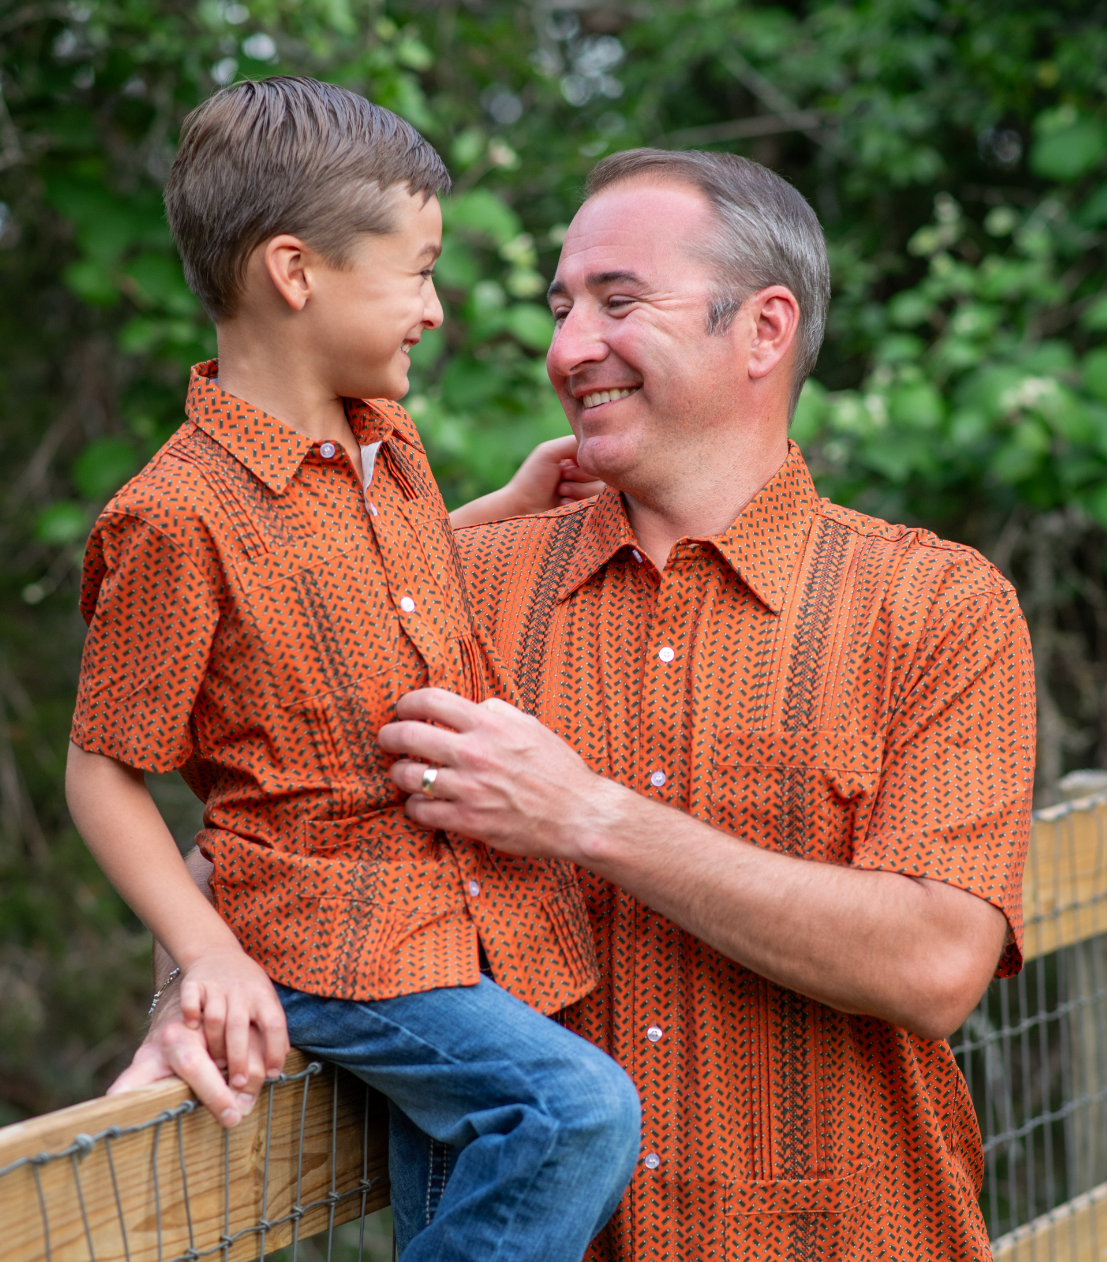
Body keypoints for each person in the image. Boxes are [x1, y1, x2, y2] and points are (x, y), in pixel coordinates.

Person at [120, 148, 1034, 1260]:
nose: (566, 348)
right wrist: (188, 986)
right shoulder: (464, 584)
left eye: (617, 301)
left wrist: (586, 816)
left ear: (762, 328)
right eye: (561, 307)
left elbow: (937, 964)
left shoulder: (939, 605)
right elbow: (268, 822)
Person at [65, 77, 639, 1262]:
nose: (436, 306)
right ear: (295, 272)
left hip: (454, 921)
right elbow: (102, 772)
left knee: (462, 1170)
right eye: (416, 269)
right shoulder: (175, 517)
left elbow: (367, 586)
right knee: (576, 1108)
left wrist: (497, 510)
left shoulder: (387, 441)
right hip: (330, 935)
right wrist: (209, 952)